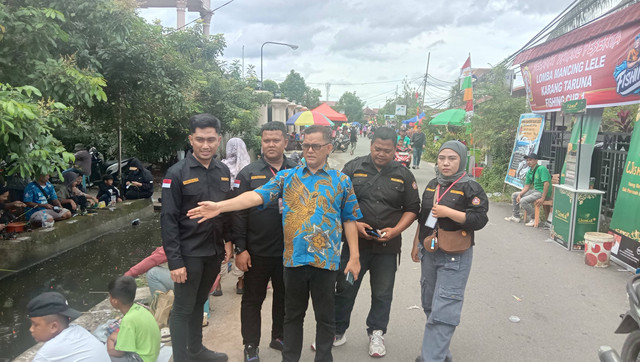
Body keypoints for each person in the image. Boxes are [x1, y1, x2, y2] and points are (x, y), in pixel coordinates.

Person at [187, 125, 363, 362]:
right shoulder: (287, 177)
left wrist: (354, 257)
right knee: (292, 316)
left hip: (326, 261)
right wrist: (220, 207)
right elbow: (255, 196)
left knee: (325, 317)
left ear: (328, 148)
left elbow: (350, 219)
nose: (309, 150)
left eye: (316, 146)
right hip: (293, 260)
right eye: (305, 145)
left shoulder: (341, 181)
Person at [333, 126, 420, 357]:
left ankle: (377, 333)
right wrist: (354, 224)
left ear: (395, 150)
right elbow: (337, 201)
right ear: (371, 145)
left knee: (382, 293)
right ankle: (337, 331)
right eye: (377, 148)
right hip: (355, 246)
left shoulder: (404, 175)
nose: (381, 153)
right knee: (344, 288)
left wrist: (396, 230)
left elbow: (412, 209)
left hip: (387, 247)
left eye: (387, 150)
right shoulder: (353, 168)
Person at [410, 141, 488, 362]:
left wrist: (449, 212)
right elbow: (424, 216)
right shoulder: (434, 184)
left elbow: (479, 219)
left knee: (445, 306)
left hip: (455, 254)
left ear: (461, 160)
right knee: (429, 303)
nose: (445, 163)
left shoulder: (471, 187)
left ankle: (430, 357)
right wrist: (417, 243)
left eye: (452, 159)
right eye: (442, 158)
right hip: (429, 250)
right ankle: (440, 352)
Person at [161, 113, 230, 362]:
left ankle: (196, 350)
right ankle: (181, 358)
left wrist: (228, 244)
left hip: (213, 252)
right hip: (189, 253)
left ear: (219, 140)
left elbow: (225, 213)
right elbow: (168, 220)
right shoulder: (176, 173)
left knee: (200, 302)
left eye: (211, 139)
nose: (205, 145)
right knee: (182, 308)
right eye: (200, 139)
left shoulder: (223, 171)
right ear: (191, 139)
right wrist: (175, 262)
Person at [231, 121, 297, 362]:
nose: (271, 144)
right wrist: (241, 248)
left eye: (276, 140)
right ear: (261, 142)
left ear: (285, 142)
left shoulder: (296, 170)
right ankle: (251, 345)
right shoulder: (248, 174)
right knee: (252, 300)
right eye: (266, 140)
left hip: (289, 251)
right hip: (257, 251)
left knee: (284, 297)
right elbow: (238, 214)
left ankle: (278, 336)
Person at [27, 291, 110, 362]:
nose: (31, 329)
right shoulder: (78, 330)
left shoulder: (47, 353)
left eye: (35, 324)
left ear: (54, 327)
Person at [216, 137, 251, 296]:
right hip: (243, 211)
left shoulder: (221, 167)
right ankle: (241, 282)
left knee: (223, 247)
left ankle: (217, 285)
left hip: (224, 212)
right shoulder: (248, 167)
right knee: (242, 246)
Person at [107, 276, 160, 362]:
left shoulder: (128, 320)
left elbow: (120, 353)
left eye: (110, 297)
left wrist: (108, 351)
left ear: (115, 301)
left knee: (106, 357)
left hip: (143, 359)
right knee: (113, 336)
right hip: (152, 354)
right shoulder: (139, 308)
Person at [504, 152, 551, 227]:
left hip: (542, 193)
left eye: (530, 160)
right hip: (535, 191)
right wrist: (520, 194)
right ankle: (516, 216)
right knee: (515, 195)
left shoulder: (541, 169)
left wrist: (543, 197)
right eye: (527, 160)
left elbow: (546, 183)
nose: (528, 162)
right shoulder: (530, 171)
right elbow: (526, 186)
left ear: (536, 160)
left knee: (523, 200)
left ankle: (535, 218)